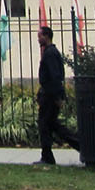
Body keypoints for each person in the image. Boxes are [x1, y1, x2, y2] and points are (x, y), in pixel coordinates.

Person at [36, 25, 78, 164]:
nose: (38, 39)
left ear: (46, 36)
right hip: (49, 95)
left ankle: (47, 157)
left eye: (40, 36)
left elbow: (55, 77)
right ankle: (79, 145)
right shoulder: (50, 52)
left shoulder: (50, 54)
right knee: (52, 125)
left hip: (50, 96)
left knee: (45, 125)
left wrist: (57, 97)